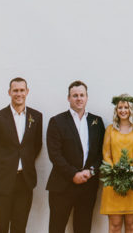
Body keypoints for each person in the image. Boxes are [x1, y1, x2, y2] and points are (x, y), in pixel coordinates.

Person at [0, 77, 43, 233]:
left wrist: (24, 163)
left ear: (27, 92)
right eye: (15, 90)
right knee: (1, 226)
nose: (19, 93)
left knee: (19, 226)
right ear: (9, 92)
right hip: (2, 181)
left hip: (25, 180)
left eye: (22, 90)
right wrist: (1, 168)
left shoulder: (36, 116)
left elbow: (36, 145)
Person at [46, 81, 106, 233]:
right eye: (75, 95)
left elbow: (102, 152)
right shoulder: (57, 121)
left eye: (82, 95)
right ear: (68, 98)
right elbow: (54, 154)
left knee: (83, 228)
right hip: (62, 185)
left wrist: (91, 171)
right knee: (56, 228)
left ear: (87, 97)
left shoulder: (97, 121)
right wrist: (73, 174)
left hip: (88, 184)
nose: (79, 98)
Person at [101, 93, 133, 233]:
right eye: (120, 107)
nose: (122, 110)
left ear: (131, 109)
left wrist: (130, 172)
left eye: (126, 107)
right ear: (116, 110)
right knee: (114, 225)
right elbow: (106, 153)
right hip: (113, 182)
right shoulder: (110, 129)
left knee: (131, 225)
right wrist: (116, 172)